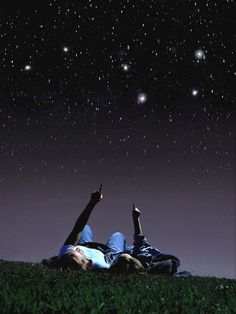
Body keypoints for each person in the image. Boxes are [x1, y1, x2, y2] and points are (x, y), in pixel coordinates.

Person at [43, 185, 141, 271]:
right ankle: (128, 249)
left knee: (85, 227)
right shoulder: (103, 266)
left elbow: (78, 227)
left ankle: (129, 249)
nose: (77, 250)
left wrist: (92, 203)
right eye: (78, 254)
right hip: (108, 255)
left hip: (87, 245)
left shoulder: (64, 255)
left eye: (74, 251)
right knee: (118, 235)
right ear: (88, 264)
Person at [123, 204, 180, 275]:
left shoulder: (137, 256)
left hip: (140, 259)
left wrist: (136, 218)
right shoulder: (141, 257)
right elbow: (140, 240)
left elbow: (140, 240)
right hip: (149, 259)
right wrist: (136, 218)